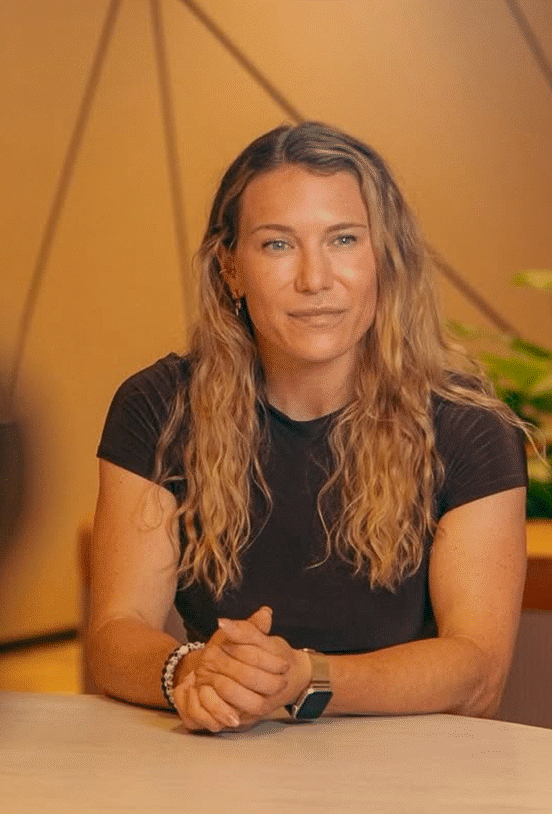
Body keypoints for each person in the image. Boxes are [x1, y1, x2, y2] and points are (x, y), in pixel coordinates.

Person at [88, 121, 529, 733]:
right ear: (231, 269)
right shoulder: (158, 408)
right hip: (220, 758)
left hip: (409, 766)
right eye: (277, 245)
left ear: (385, 259)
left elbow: (478, 673)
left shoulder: (468, 426)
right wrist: (194, 671)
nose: (314, 279)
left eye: (343, 239)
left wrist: (304, 679)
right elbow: (115, 632)